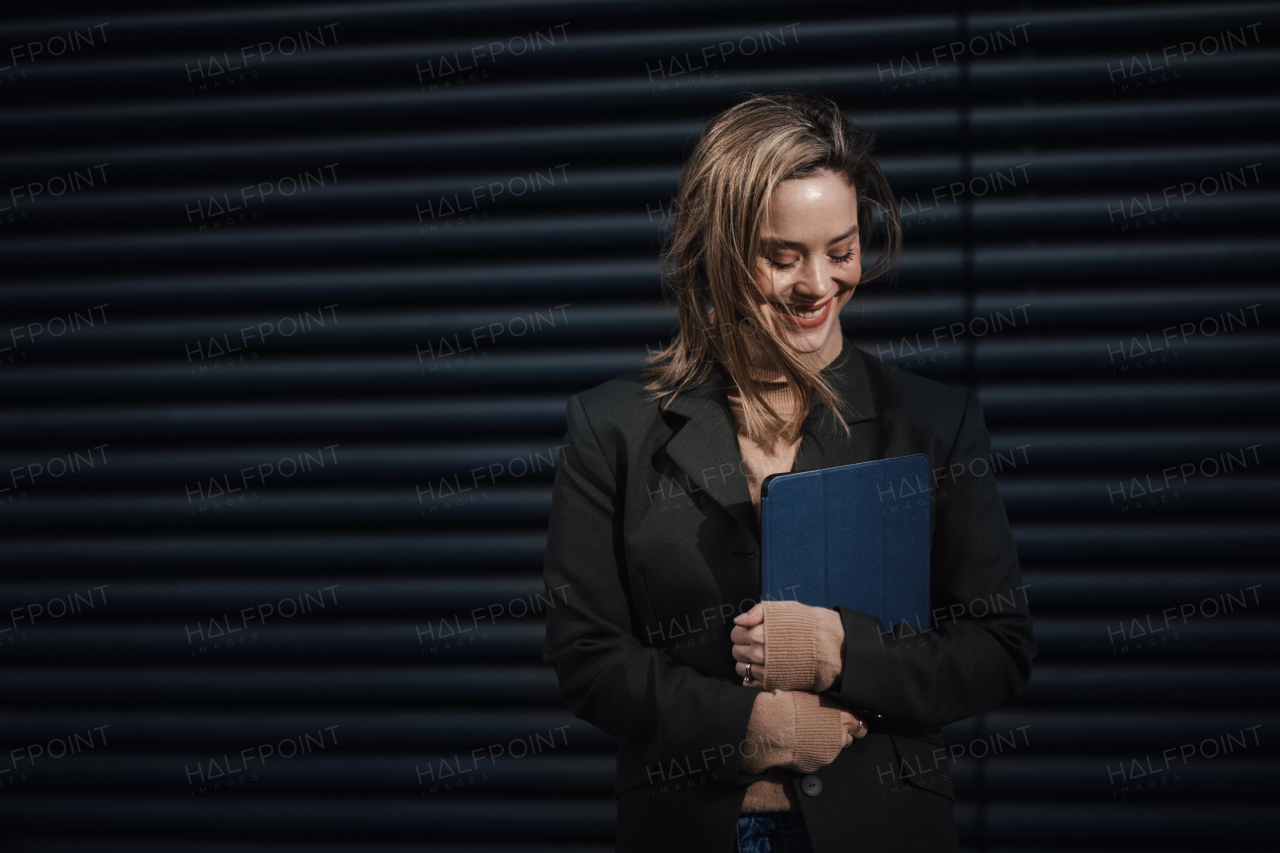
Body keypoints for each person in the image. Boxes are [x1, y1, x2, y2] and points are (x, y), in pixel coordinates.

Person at [541, 92, 1036, 853]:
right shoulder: (612, 427)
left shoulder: (934, 424)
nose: (819, 286)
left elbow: (997, 649)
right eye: (783, 257)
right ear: (719, 250)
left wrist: (843, 650)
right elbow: (588, 657)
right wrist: (749, 728)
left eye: (841, 251)